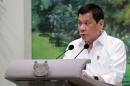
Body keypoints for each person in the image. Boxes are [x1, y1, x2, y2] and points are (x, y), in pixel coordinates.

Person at [63, 3, 126, 86]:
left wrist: (92, 79)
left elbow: (116, 76)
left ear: (100, 24)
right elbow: (63, 72)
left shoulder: (115, 45)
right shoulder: (73, 46)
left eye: (86, 23)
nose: (82, 28)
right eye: (79, 23)